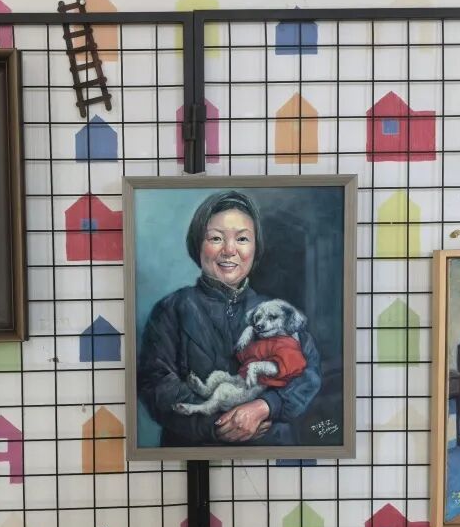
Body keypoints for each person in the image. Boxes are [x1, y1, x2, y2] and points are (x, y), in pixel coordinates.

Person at [137, 190, 322, 447]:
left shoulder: (276, 311)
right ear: (197, 245)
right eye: (216, 238)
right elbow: (154, 383)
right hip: (194, 455)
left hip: (270, 453)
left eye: (242, 238)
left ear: (255, 247)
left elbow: (309, 374)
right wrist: (220, 424)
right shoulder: (172, 309)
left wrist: (266, 406)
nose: (229, 250)